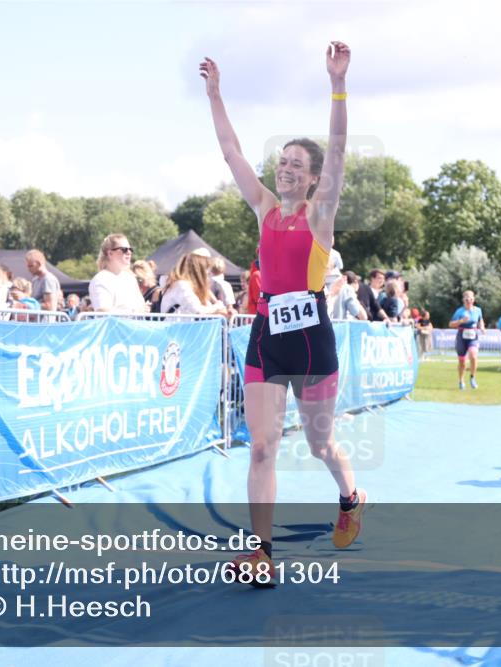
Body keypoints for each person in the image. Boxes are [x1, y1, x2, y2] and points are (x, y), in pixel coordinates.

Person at [201, 42, 364, 586]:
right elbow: (230, 150)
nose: (286, 168)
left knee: (319, 444)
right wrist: (215, 93)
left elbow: (338, 150)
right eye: (283, 161)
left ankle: (350, 495)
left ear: (314, 178)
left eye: (298, 164)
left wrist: (337, 84)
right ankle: (261, 553)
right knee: (264, 446)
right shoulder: (265, 209)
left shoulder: (320, 217)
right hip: (267, 334)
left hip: (313, 341)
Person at [89, 234, 147, 313]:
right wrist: (133, 312)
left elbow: (142, 307)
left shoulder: (130, 278)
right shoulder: (101, 279)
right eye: (124, 249)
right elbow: (103, 311)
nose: (129, 252)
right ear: (110, 253)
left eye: (130, 249)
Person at [159, 252, 229, 316]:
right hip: (176, 328)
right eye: (207, 272)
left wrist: (221, 310)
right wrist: (217, 306)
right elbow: (198, 310)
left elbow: (205, 308)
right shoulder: (181, 285)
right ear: (199, 272)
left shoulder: (185, 286)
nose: (208, 276)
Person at [449, 290, 485, 390]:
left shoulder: (478, 310)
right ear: (463, 300)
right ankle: (461, 380)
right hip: (461, 337)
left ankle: (472, 377)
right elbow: (451, 324)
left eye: (470, 298)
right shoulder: (459, 311)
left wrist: (482, 327)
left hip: (473, 336)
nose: (469, 300)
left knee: (473, 356)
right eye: (466, 298)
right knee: (462, 362)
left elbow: (480, 320)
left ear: (473, 299)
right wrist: (461, 321)